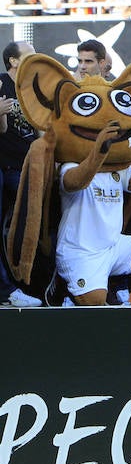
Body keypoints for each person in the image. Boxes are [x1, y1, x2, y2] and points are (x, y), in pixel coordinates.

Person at [0, 41, 41, 307]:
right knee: (12, 229)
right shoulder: (2, 83)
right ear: (13, 61)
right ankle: (8, 289)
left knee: (33, 228)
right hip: (9, 167)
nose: (36, 58)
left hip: (30, 167)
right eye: (30, 54)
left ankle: (33, 283)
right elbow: (2, 129)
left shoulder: (32, 88)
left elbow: (41, 129)